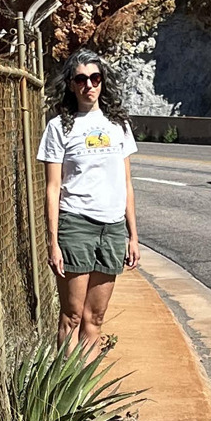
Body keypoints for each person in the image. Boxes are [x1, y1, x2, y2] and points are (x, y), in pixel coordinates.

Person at [37, 49, 139, 353]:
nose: (89, 85)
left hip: (112, 229)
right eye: (81, 79)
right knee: (71, 317)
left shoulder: (118, 125)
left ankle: (87, 393)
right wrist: (53, 242)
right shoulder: (59, 127)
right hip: (76, 225)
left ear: (102, 82)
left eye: (95, 78)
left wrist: (133, 236)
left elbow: (127, 183)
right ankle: (65, 395)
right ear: (71, 84)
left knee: (95, 318)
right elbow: (52, 187)